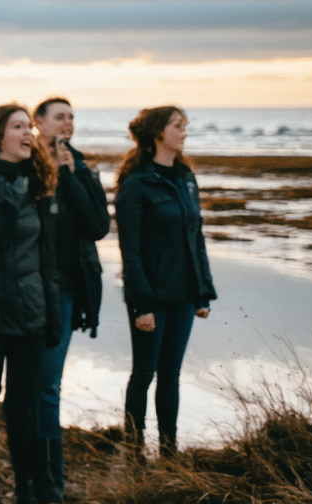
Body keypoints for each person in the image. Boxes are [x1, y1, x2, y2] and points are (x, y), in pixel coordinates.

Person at [0, 104, 61, 504]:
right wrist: (12, 191)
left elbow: (46, 255)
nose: (28, 134)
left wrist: (51, 312)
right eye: (17, 127)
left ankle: (27, 487)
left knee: (23, 403)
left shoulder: (38, 181)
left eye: (30, 128)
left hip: (31, 311)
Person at [115, 106, 216, 459]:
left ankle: (169, 453)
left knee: (170, 375)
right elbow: (131, 250)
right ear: (159, 133)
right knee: (144, 373)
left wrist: (203, 292)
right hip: (151, 296)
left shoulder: (186, 179)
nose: (184, 132)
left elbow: (196, 238)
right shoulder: (136, 184)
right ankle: (134, 450)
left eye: (185, 125)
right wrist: (142, 303)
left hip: (185, 293)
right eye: (178, 126)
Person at [30, 98, 109, 500]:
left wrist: (70, 176)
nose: (69, 123)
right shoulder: (23, 163)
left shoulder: (80, 167)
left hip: (65, 291)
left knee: (48, 384)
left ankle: (52, 480)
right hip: (28, 289)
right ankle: (37, 474)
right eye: (60, 117)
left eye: (73, 117)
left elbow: (98, 226)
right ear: (37, 123)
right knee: (32, 383)